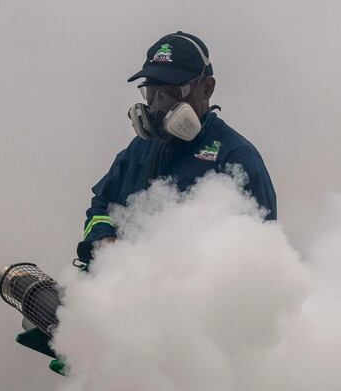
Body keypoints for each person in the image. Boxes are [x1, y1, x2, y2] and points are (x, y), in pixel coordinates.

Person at [76, 31, 277, 267]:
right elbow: (101, 205)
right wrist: (106, 243)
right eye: (152, 92)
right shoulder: (140, 148)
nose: (159, 104)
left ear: (207, 88)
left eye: (173, 91)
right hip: (122, 294)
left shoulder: (237, 159)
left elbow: (262, 256)